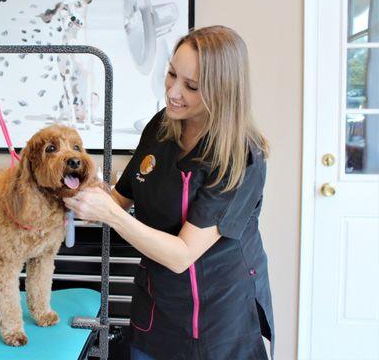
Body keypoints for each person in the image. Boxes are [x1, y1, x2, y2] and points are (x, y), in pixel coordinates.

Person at [63, 26, 274, 360]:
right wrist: (77, 190)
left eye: (191, 86)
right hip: (156, 306)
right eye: (172, 74)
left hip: (218, 317)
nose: (173, 92)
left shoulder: (241, 157)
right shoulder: (162, 126)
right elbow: (120, 197)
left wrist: (110, 214)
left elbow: (181, 255)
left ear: (222, 92)